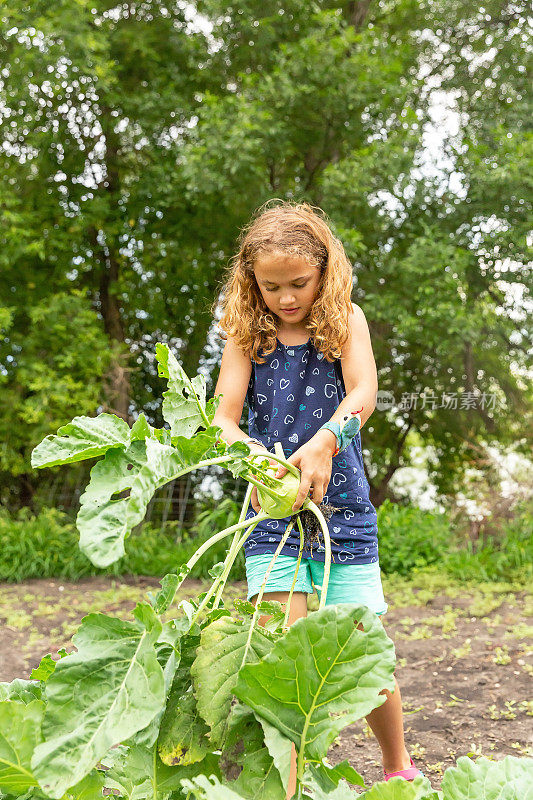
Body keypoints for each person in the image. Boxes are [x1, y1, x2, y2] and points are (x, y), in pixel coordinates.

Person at [212, 199, 424, 797]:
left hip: (343, 513)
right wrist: (257, 460)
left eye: (299, 284)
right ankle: (290, 783)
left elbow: (364, 391)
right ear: (251, 281)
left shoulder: (345, 321)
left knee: (364, 649)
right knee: (282, 656)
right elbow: (224, 419)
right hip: (273, 515)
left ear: (324, 272)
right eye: (271, 286)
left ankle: (395, 765)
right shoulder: (246, 336)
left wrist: (327, 441)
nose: (285, 298)